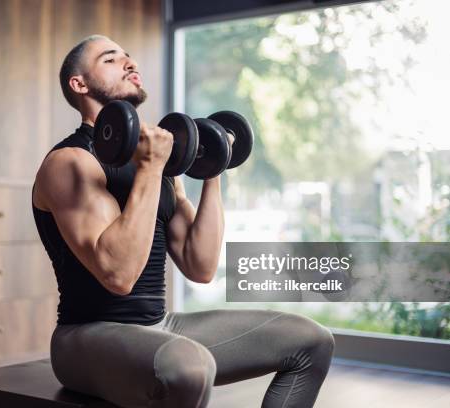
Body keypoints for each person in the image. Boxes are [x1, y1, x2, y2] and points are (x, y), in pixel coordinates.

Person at [32, 34, 335, 408]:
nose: (130, 63)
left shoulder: (157, 163)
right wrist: (150, 168)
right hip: (84, 339)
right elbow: (118, 275)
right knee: (190, 368)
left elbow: (201, 264)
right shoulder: (70, 162)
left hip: (160, 329)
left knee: (311, 340)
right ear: (78, 84)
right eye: (111, 59)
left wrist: (214, 165)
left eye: (129, 56)